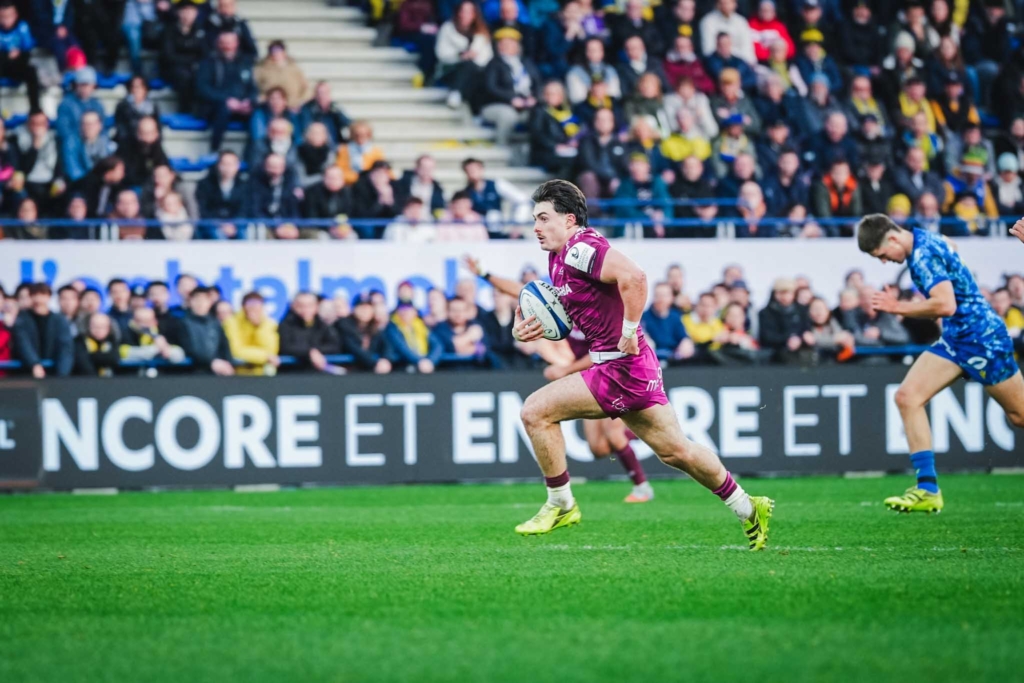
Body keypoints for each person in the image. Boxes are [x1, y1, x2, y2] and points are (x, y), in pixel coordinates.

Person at [508, 180, 772, 542]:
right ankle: (747, 506)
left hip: (620, 367)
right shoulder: (559, 257)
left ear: (569, 220)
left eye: (543, 218)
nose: (536, 227)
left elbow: (635, 277)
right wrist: (526, 328)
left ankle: (561, 503)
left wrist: (630, 329)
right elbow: (571, 311)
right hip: (631, 366)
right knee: (676, 451)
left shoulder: (579, 248)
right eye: (534, 219)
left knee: (534, 412)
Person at [857, 214, 1024, 513]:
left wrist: (897, 307)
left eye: (881, 254)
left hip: (982, 339)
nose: (884, 261)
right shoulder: (925, 238)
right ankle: (927, 489)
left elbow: (946, 304)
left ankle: (927, 489)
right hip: (957, 339)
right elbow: (951, 247)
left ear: (893, 238)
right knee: (907, 397)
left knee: (1020, 415)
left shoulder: (921, 255)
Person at [464, 253, 655, 503]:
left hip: (618, 370)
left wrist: (565, 370)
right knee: (598, 448)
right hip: (594, 374)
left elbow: (605, 351)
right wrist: (485, 274)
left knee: (613, 435)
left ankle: (642, 487)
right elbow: (519, 291)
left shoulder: (596, 305)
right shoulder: (565, 303)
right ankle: (642, 430)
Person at [195, 31, 257, 151]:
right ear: (218, 44)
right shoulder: (208, 62)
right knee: (223, 110)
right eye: (224, 43)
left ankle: (253, 152)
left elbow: (252, 87)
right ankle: (214, 150)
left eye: (230, 43)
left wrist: (248, 101)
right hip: (215, 106)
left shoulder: (244, 62)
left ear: (236, 43)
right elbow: (203, 88)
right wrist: (226, 100)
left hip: (241, 106)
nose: (227, 46)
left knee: (258, 112)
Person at [479, 27, 540, 145]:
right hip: (499, 104)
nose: (506, 47)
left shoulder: (526, 62)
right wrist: (511, 99)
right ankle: (501, 146)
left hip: (525, 103)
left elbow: (537, 83)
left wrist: (534, 98)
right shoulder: (494, 64)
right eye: (503, 44)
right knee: (508, 115)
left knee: (539, 114)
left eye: (510, 44)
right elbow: (491, 87)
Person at [158, 0, 206, 113]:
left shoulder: (201, 30)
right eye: (184, 11)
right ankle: (185, 109)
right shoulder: (169, 30)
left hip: (195, 67)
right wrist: (191, 60)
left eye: (191, 11)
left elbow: (205, 53)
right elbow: (168, 55)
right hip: (174, 68)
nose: (187, 15)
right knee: (184, 76)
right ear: (178, 12)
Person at [278, 291, 342, 372]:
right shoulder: (286, 325)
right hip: (292, 372)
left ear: (316, 306)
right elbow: (285, 347)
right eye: (300, 306)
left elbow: (334, 345)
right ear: (293, 306)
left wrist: (315, 351)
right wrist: (308, 352)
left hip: (318, 372)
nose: (305, 309)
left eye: (310, 305)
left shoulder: (322, 325)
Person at [178, 286, 234, 376]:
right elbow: (190, 350)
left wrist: (228, 363)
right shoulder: (183, 323)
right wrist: (211, 363)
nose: (200, 304)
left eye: (204, 300)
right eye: (197, 300)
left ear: (210, 302)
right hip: (193, 373)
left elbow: (224, 346)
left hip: (219, 373)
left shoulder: (215, 323)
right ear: (190, 302)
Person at [222, 291, 280, 376]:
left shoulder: (269, 323)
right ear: (243, 307)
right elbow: (235, 350)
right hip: (238, 373)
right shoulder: (231, 322)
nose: (254, 309)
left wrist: (259, 327)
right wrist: (265, 357)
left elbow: (271, 350)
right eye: (250, 305)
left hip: (262, 374)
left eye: (257, 305)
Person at [0, 1, 42, 113]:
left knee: (31, 71)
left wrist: (12, 56)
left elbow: (26, 53)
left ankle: (35, 110)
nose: (6, 20)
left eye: (9, 16)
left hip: (17, 66)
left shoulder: (22, 27)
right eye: (3, 17)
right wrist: (7, 56)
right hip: (2, 66)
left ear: (15, 15)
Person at [196, 150, 247, 239]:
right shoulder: (205, 184)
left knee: (244, 234)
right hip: (212, 224)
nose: (228, 168)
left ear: (237, 166)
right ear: (218, 165)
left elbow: (244, 209)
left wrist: (233, 224)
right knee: (218, 235)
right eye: (225, 164)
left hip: (236, 224)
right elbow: (204, 209)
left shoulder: (244, 185)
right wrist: (220, 224)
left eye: (231, 164)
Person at [338, 292, 393, 374]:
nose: (365, 311)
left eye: (368, 308)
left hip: (370, 371)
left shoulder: (375, 327)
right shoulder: (345, 324)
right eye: (362, 307)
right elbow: (353, 348)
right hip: (349, 370)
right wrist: (375, 362)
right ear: (354, 309)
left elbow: (387, 345)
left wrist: (386, 360)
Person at [641, 282, 694, 362]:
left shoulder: (675, 316)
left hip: (674, 359)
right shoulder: (643, 317)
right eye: (658, 295)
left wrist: (686, 343)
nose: (661, 299)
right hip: (651, 359)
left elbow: (683, 337)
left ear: (672, 297)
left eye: (665, 295)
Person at [385, 302, 443, 373]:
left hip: (425, 365)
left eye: (408, 310)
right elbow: (402, 348)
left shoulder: (421, 325)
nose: (405, 313)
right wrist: (420, 361)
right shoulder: (393, 327)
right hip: (404, 366)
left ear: (415, 312)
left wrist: (431, 360)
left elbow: (437, 345)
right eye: (402, 310)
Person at [255, 40, 310, 109]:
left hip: (292, 107)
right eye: (273, 50)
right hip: (270, 108)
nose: (276, 53)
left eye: (279, 50)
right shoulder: (262, 69)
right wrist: (262, 99)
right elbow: (254, 87)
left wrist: (299, 102)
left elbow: (306, 88)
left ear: (284, 52)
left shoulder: (294, 68)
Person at [394, 155, 446, 221]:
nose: (427, 171)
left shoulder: (438, 189)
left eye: (430, 168)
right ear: (417, 168)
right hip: (405, 222)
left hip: (427, 223)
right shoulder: (403, 184)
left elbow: (439, 209)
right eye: (424, 167)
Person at [72, 312, 120, 376]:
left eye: (102, 326)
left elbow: (114, 359)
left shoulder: (111, 340)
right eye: (95, 326)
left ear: (108, 328)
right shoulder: (80, 340)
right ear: (89, 326)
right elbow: (83, 364)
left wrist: (91, 356)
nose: (98, 330)